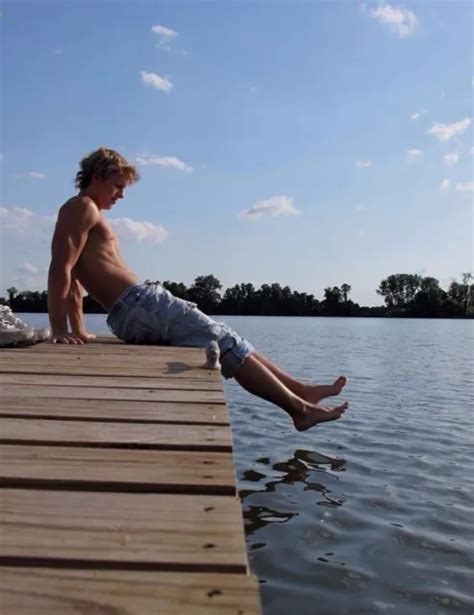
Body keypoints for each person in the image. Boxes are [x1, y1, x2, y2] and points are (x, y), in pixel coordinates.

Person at [48, 147, 350, 431]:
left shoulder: (86, 212)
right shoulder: (82, 207)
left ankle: (301, 392)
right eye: (117, 186)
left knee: (228, 338)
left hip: (134, 310)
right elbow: (60, 268)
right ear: (98, 176)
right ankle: (299, 410)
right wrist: (59, 329)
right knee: (226, 346)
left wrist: (78, 329)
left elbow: (74, 280)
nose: (121, 195)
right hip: (140, 305)